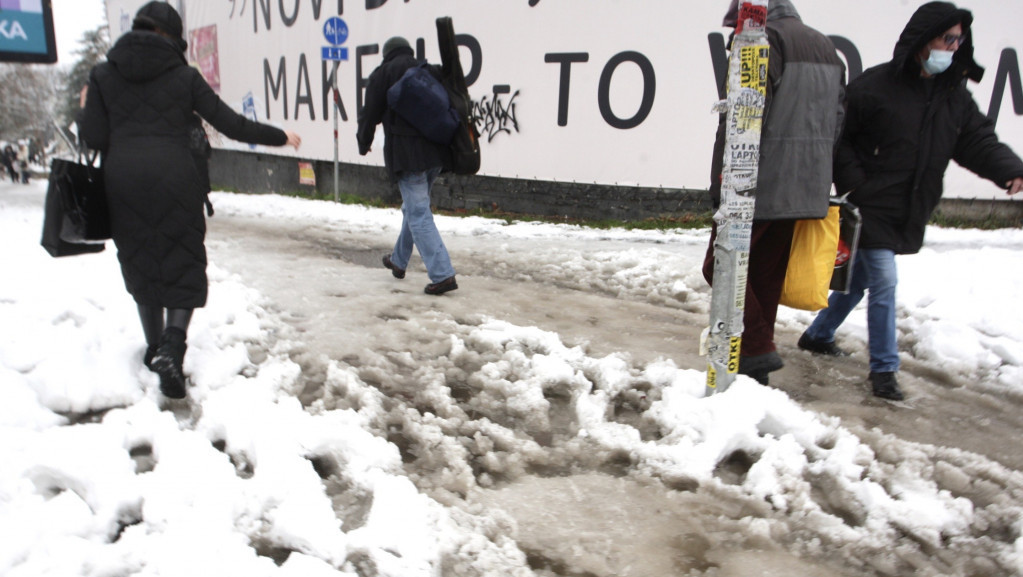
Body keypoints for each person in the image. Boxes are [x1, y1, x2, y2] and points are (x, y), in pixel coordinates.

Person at [797, 2, 1023, 401]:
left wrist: (1010, 170)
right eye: (946, 38)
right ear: (923, 40)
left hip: (909, 205)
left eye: (959, 40)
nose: (953, 47)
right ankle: (884, 370)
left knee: (861, 281)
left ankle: (818, 334)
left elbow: (976, 140)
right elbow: (840, 136)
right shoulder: (874, 86)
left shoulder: (952, 95)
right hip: (870, 204)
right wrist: (856, 184)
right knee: (884, 281)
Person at [76, 2, 302, 399]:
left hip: (122, 179)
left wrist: (85, 107)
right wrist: (279, 136)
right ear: (173, 39)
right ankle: (172, 347)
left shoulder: (102, 75)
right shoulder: (184, 77)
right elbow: (230, 124)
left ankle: (153, 348)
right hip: (176, 177)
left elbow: (93, 137)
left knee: (140, 259)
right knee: (182, 260)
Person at [703, 0, 846, 385]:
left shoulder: (763, 42)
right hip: (806, 186)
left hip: (757, 183)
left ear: (743, 22)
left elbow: (743, 116)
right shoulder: (827, 49)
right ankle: (755, 374)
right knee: (763, 276)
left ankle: (755, 349)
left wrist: (723, 182)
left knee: (721, 263)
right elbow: (837, 122)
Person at [356, 36, 458, 296]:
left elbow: (369, 115)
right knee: (413, 209)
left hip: (408, 156)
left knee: (418, 213)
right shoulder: (427, 70)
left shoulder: (383, 73)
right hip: (435, 154)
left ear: (387, 53)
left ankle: (442, 274)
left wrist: (363, 142)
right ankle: (398, 261)